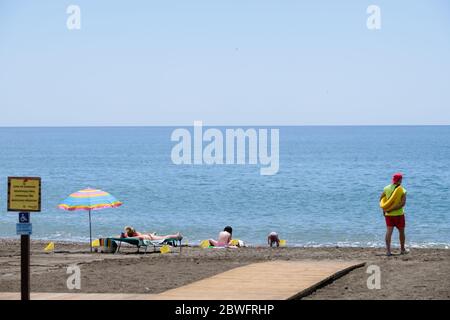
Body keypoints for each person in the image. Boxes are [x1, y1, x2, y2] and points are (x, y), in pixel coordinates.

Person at [379, 173, 407, 256]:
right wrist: (392, 209)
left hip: (388, 215)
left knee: (389, 232)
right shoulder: (402, 190)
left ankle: (388, 251)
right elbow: (402, 204)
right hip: (399, 214)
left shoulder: (386, 188)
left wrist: (385, 210)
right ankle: (402, 250)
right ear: (400, 180)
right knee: (401, 232)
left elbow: (381, 199)